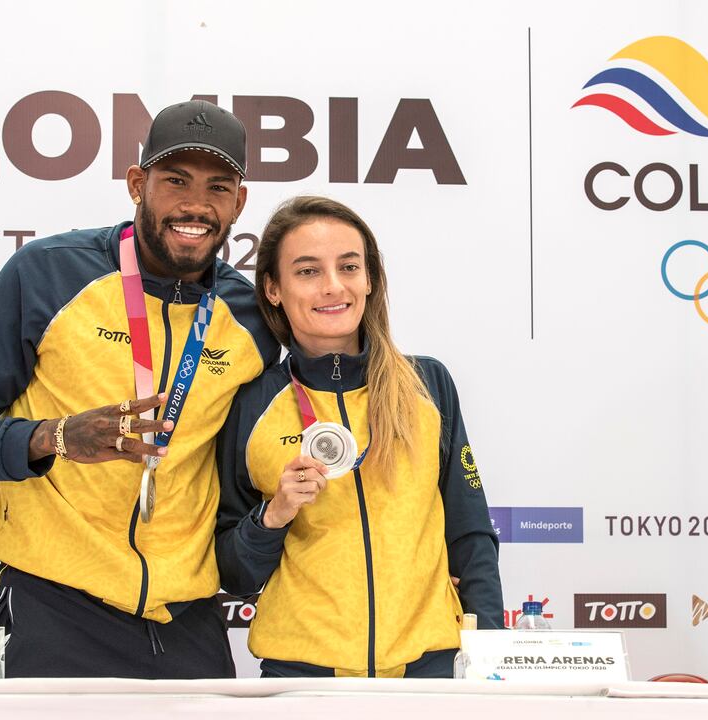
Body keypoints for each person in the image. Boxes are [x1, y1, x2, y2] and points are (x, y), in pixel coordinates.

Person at [0, 100, 278, 678]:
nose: (195, 205)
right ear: (138, 184)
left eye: (218, 187)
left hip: (187, 617)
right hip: (55, 607)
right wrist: (56, 436)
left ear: (239, 202)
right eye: (174, 181)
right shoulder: (47, 272)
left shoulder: (253, 314)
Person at [214, 195, 503, 678]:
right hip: (302, 681)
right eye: (307, 271)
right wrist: (275, 514)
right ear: (272, 288)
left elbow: (470, 534)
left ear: (369, 279)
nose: (333, 286)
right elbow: (233, 574)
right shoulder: (249, 403)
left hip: (427, 674)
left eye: (349, 266)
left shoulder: (427, 386)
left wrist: (491, 656)